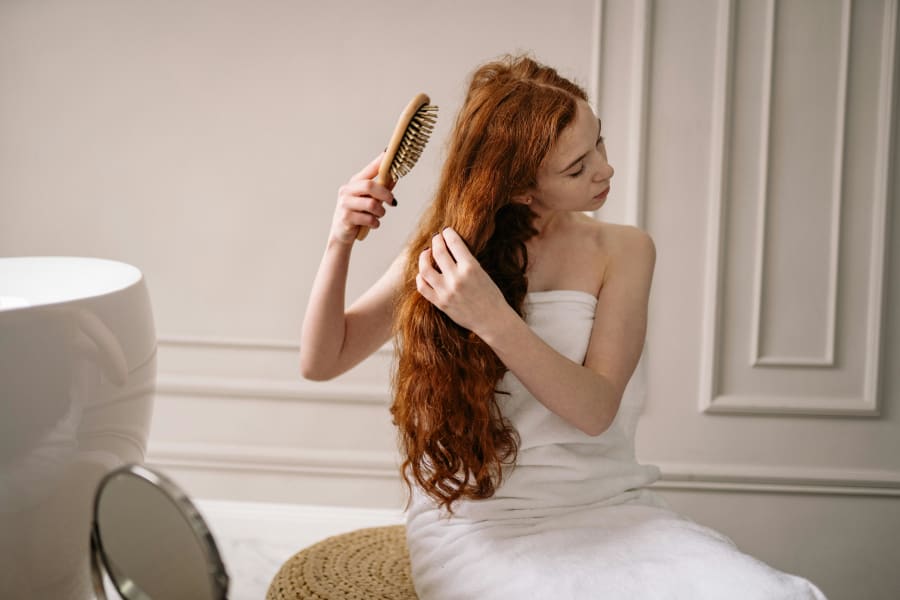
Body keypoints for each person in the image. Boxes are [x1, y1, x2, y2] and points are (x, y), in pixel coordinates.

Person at [300, 54, 827, 599]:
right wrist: (339, 239)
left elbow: (596, 409)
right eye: (576, 168)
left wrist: (491, 317)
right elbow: (321, 361)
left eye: (599, 142)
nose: (605, 169)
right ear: (520, 189)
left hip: (608, 506)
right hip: (480, 525)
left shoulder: (624, 250)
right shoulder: (447, 259)